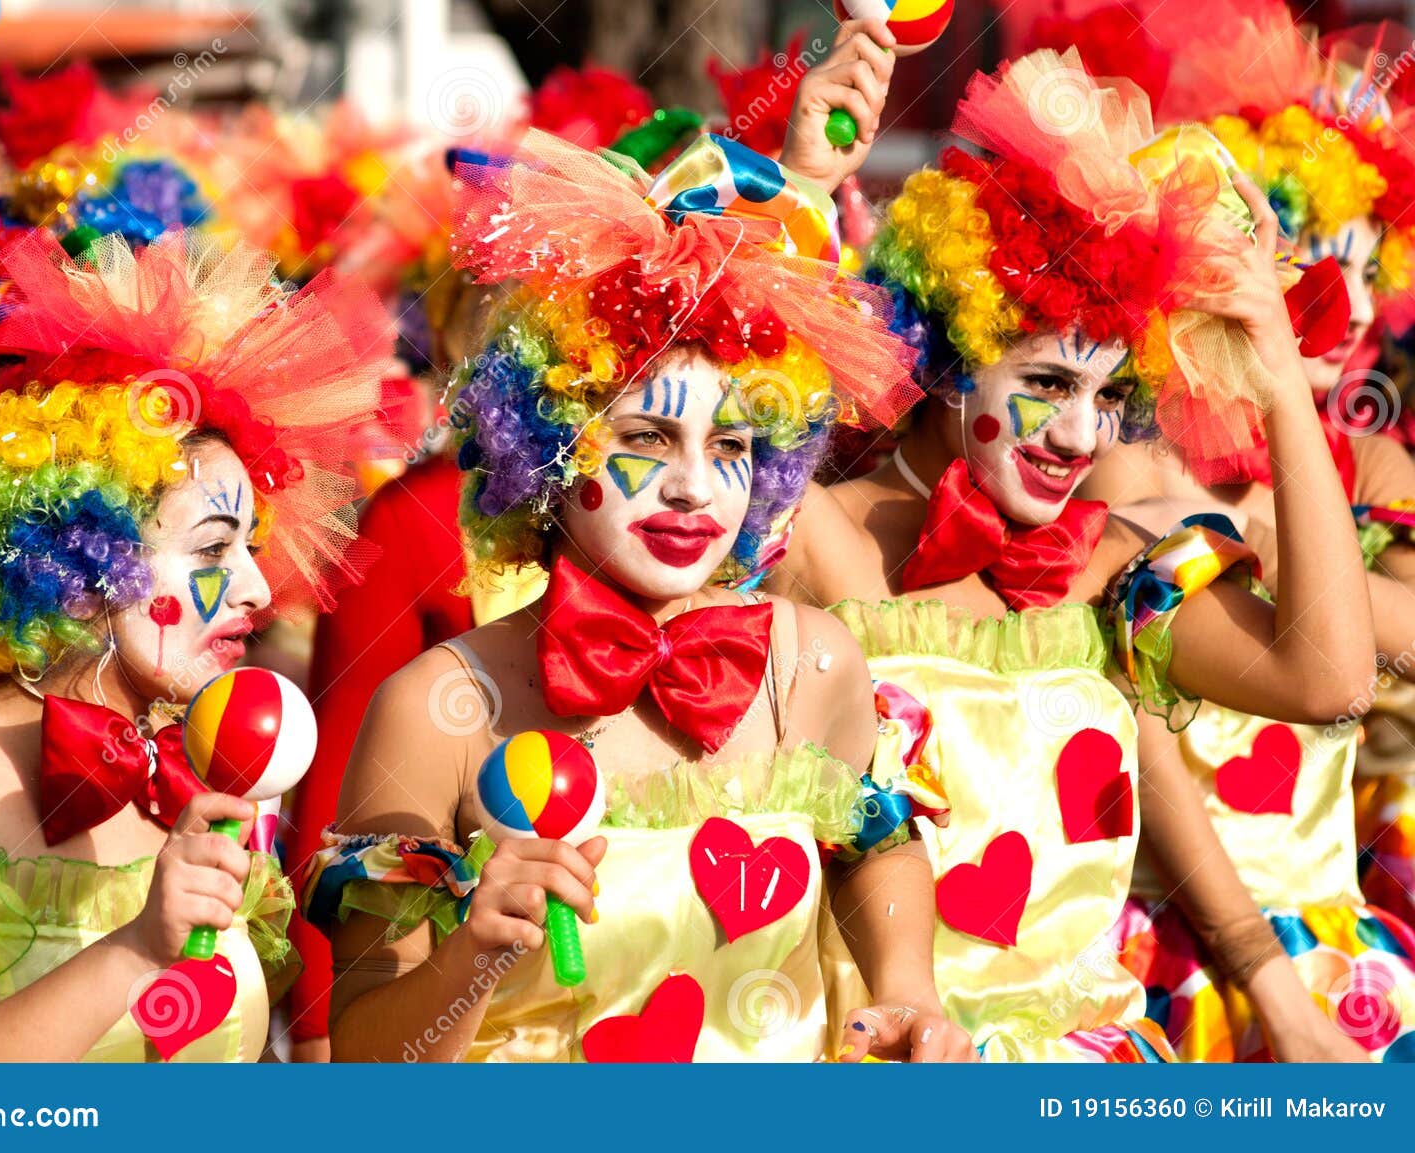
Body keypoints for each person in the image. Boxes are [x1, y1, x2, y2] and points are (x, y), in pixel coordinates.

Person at [306, 127, 973, 1062]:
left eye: (733, 447)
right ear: (547, 441)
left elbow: (874, 842)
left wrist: (909, 989)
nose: (696, 488)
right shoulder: (436, 710)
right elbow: (364, 1065)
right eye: (648, 440)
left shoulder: (812, 662)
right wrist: (473, 950)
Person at [768, 43, 1377, 1060]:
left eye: (1110, 396)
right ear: (948, 354)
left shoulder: (1105, 567)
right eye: (1047, 382)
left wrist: (1274, 376)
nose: (1080, 435)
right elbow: (704, 419)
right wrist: (796, 187)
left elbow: (1330, 676)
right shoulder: (822, 543)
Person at [0, 230, 387, 1062]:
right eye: (212, 549)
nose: (260, 592)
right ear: (82, 555)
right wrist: (136, 947)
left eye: (252, 550)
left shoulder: (217, 775)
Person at [1031, 0, 1415, 1062]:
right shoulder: (1117, 500)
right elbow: (1155, 764)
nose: (1319, 298)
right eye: (1284, 259)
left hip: (1345, 957)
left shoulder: (1359, 476)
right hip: (1177, 978)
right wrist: (1272, 993)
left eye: (1349, 261)